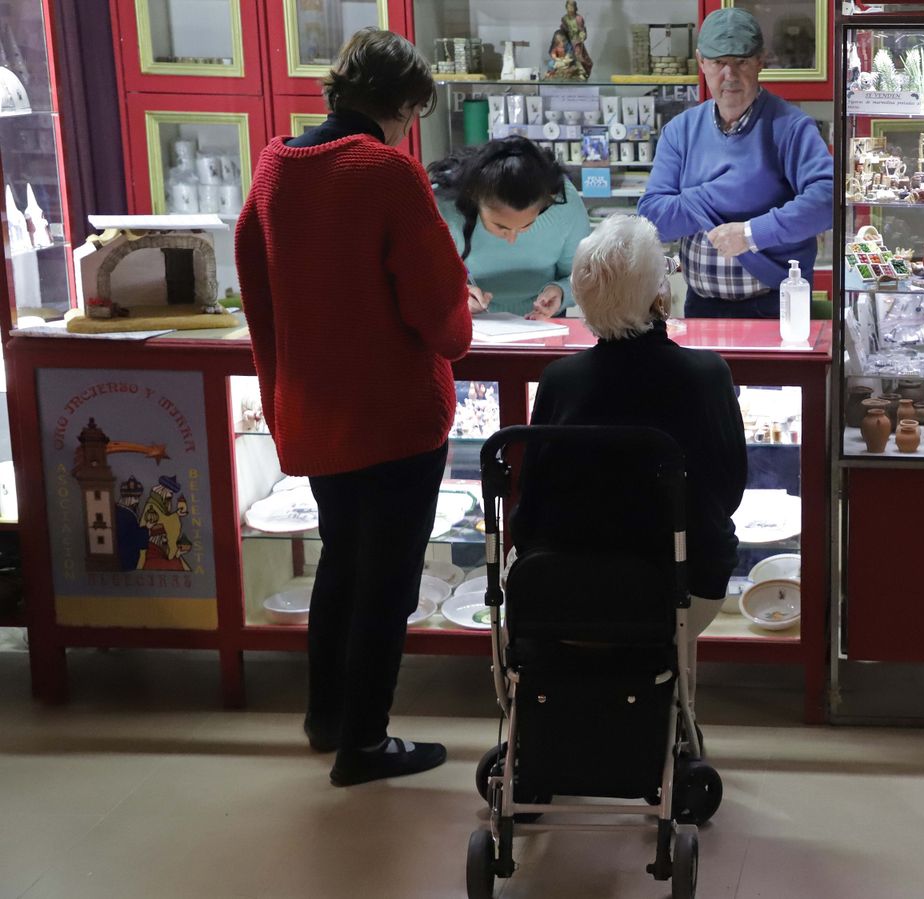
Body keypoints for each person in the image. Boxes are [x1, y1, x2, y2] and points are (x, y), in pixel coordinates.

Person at [235, 28, 471, 787]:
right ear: (403, 105)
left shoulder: (275, 167)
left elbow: (251, 268)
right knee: (389, 579)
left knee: (341, 562)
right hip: (394, 415)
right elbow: (442, 317)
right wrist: (458, 322)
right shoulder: (385, 173)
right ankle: (365, 744)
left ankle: (326, 716)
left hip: (315, 414)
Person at [512, 215, 745, 706]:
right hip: (680, 587)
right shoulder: (705, 374)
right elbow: (729, 492)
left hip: (561, 587)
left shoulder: (559, 379)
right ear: (660, 297)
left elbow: (528, 505)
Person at [638, 7, 832, 318]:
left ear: (760, 61)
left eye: (741, 62)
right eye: (718, 63)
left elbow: (826, 203)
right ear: (702, 62)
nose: (729, 75)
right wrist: (733, 188)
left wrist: (751, 234)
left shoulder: (791, 127)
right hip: (701, 305)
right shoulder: (680, 131)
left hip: (775, 304)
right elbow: (652, 220)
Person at [428, 136, 591, 319]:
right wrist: (456, 295)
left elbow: (583, 276)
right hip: (471, 323)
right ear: (474, 198)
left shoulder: (564, 204)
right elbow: (423, 280)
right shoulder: (446, 207)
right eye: (501, 226)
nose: (512, 239)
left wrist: (561, 292)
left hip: (544, 321)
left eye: (526, 225)